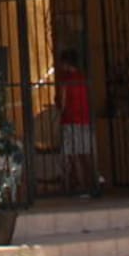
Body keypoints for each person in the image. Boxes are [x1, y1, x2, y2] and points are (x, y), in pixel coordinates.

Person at [54, 49, 98, 197]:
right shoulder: (83, 79)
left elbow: (63, 103)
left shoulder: (66, 80)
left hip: (70, 121)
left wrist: (58, 106)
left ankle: (80, 186)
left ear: (65, 63)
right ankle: (93, 185)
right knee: (86, 154)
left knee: (73, 155)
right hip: (85, 120)